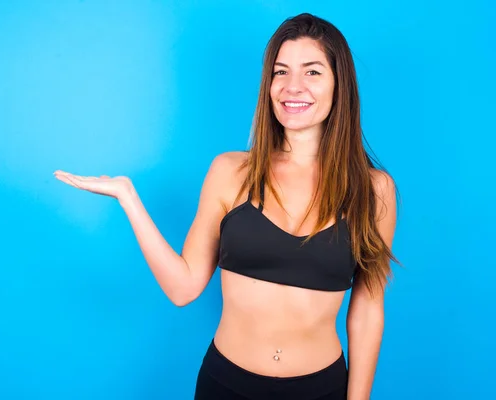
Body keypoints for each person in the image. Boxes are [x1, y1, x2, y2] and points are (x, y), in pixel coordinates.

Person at [54, 12, 400, 400]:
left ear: (340, 85)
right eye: (281, 72)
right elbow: (184, 288)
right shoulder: (231, 171)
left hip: (321, 389)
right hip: (226, 385)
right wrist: (129, 199)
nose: (292, 86)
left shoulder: (374, 191)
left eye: (313, 72)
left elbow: (368, 310)